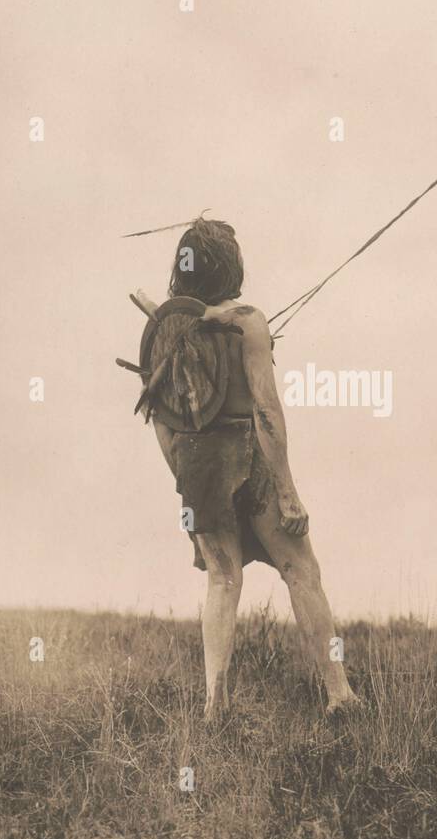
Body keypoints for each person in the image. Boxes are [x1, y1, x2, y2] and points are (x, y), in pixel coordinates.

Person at [150, 218, 359, 719]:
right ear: (230, 265)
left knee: (222, 581)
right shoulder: (249, 321)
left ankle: (213, 705)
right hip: (250, 459)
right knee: (301, 571)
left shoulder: (166, 329)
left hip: (200, 469)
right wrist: (286, 491)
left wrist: (187, 480)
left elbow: (162, 424)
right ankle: (339, 695)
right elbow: (267, 412)